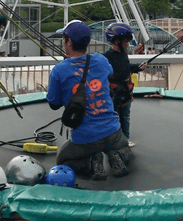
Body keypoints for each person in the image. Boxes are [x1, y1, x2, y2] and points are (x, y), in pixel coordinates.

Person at [46, 20, 131, 180]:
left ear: (68, 42)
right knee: (124, 147)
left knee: (63, 160)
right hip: (114, 132)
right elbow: (108, 73)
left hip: (86, 138)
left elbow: (54, 104)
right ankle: (117, 154)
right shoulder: (101, 60)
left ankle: (92, 160)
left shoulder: (59, 71)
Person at [103, 22, 146, 148]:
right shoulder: (107, 57)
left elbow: (126, 68)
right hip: (114, 93)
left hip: (125, 91)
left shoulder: (123, 54)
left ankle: (125, 138)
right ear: (117, 41)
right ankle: (114, 139)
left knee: (125, 116)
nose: (127, 44)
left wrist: (138, 68)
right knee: (114, 116)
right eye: (126, 41)